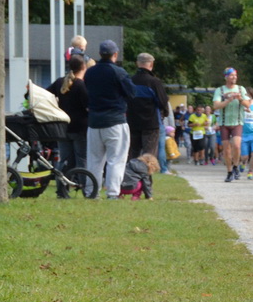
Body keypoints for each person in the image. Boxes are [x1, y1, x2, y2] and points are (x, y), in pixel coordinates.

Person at [83, 40, 138, 198]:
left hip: (94, 122)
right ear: (115, 54)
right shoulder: (118, 72)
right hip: (115, 121)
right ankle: (113, 193)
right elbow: (132, 93)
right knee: (116, 159)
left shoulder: (90, 72)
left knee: (94, 159)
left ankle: (91, 191)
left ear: (100, 54)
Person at [47, 54, 89, 177]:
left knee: (64, 159)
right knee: (81, 159)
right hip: (79, 128)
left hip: (62, 127)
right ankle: (83, 185)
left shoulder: (60, 82)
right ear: (84, 67)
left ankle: (61, 187)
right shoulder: (81, 85)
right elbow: (88, 105)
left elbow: (46, 94)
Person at [128, 53, 170, 162]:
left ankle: (132, 177)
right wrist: (165, 114)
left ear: (137, 63)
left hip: (132, 122)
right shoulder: (154, 82)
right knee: (149, 155)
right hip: (151, 123)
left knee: (133, 153)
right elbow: (163, 101)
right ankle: (146, 178)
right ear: (151, 64)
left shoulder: (130, 81)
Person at [214, 68, 251, 182]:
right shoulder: (220, 90)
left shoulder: (241, 89)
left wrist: (240, 99)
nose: (234, 77)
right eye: (231, 75)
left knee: (236, 145)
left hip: (237, 122)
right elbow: (216, 106)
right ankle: (229, 171)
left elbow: (247, 104)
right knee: (226, 149)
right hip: (224, 123)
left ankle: (236, 166)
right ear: (226, 77)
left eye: (235, 75)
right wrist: (228, 100)